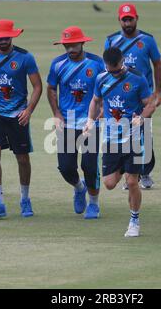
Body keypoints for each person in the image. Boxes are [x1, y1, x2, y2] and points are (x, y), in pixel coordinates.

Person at [83, 47, 156, 237]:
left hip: (133, 139)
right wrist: (90, 121)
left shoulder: (137, 78)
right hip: (111, 140)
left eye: (117, 69)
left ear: (122, 61)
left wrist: (141, 117)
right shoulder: (101, 78)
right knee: (108, 183)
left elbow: (150, 103)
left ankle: (134, 220)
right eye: (110, 69)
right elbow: (95, 100)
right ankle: (125, 168)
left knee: (132, 182)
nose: (114, 73)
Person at [0, 19, 43, 219]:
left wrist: (29, 110)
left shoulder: (25, 57)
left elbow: (38, 86)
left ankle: (25, 198)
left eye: (6, 38)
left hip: (17, 115)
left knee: (22, 158)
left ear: (12, 37)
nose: (3, 41)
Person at [47, 26, 105, 219]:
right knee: (65, 168)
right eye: (66, 45)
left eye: (73, 45)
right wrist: (56, 113)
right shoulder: (57, 65)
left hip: (91, 122)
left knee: (89, 166)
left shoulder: (97, 63)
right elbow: (51, 89)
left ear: (82, 43)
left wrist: (103, 110)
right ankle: (79, 188)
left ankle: (94, 204)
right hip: (67, 122)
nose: (70, 49)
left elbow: (108, 86)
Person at [104, 3, 161, 190]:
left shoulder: (147, 40)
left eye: (131, 19)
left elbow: (157, 65)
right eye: (124, 19)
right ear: (119, 20)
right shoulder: (111, 40)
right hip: (120, 96)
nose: (128, 22)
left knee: (143, 134)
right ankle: (130, 172)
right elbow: (105, 68)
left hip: (142, 96)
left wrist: (158, 92)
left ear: (137, 18)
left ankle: (144, 171)